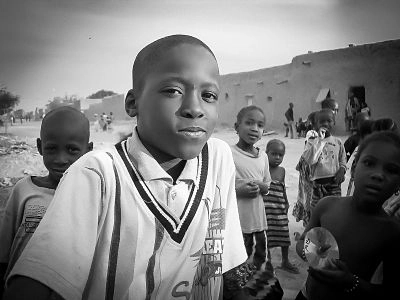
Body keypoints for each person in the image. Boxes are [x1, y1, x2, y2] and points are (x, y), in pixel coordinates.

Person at [4, 34, 247, 300]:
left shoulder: (219, 158)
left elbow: (227, 258)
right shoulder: (96, 173)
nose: (194, 109)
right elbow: (38, 281)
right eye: (173, 91)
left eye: (208, 95)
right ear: (133, 103)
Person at [295, 131, 400, 300]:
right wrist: (315, 256)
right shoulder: (326, 206)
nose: (378, 174)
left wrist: (351, 282)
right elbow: (301, 242)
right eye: (369, 162)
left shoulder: (392, 231)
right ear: (354, 167)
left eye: (392, 170)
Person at [0, 107, 93, 296]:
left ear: (88, 151)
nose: (61, 159)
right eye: (51, 149)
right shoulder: (24, 189)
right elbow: (5, 247)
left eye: (72, 150)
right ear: (40, 147)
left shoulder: (90, 196)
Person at [231, 105, 271, 271]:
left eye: (260, 125)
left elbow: (267, 186)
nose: (255, 129)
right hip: (237, 223)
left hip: (259, 223)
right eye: (249, 123)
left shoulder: (263, 156)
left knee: (260, 261)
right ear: (237, 127)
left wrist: (262, 186)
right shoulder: (229, 153)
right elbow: (219, 187)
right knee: (238, 262)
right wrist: (238, 190)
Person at [264, 139, 299, 274]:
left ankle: (285, 261)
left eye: (280, 155)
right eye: (274, 154)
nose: (277, 157)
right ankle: (268, 262)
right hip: (266, 209)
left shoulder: (282, 171)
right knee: (267, 236)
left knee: (284, 234)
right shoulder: (262, 169)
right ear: (266, 153)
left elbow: (282, 188)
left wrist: (286, 202)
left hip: (279, 208)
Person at [301, 109, 347, 210]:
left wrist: (342, 170)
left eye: (329, 121)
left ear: (333, 122)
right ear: (316, 124)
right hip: (317, 185)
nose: (325, 124)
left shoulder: (337, 142)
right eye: (322, 122)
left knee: (335, 209)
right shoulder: (311, 142)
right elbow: (310, 160)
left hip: (334, 183)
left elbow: (343, 158)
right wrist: (320, 142)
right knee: (316, 210)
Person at [292, 111, 318, 226]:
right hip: (310, 168)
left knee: (308, 197)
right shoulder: (314, 134)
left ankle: (308, 223)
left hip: (308, 168)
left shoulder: (313, 134)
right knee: (309, 198)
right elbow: (310, 151)